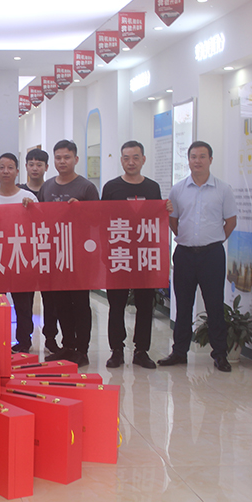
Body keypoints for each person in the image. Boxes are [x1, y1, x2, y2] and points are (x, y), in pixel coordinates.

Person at [159, 141, 238, 372]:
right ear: (188, 160)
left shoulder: (223, 189)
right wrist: (187, 238)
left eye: (202, 156)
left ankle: (220, 354)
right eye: (193, 156)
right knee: (183, 305)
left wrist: (214, 240)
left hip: (212, 255)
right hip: (184, 254)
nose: (197, 161)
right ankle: (179, 352)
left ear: (210, 160)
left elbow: (230, 221)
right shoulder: (178, 189)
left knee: (214, 305)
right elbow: (173, 220)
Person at [102, 141, 173, 370]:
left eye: (135, 157)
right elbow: (102, 220)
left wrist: (166, 210)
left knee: (145, 305)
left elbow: (156, 221)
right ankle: (116, 350)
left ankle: (142, 351)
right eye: (126, 158)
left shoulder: (152, 188)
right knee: (116, 305)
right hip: (118, 254)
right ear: (121, 160)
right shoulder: (111, 188)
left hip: (145, 255)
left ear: (143, 159)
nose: (130, 162)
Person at [40, 139, 99, 368]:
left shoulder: (86, 188)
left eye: (66, 157)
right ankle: (67, 346)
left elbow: (97, 221)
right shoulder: (47, 187)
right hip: (56, 255)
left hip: (80, 256)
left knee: (80, 304)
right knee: (61, 303)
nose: (62, 161)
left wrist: (81, 210)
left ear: (76, 159)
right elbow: (40, 219)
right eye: (58, 157)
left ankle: (82, 350)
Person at [0, 153, 38, 353]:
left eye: (10, 167)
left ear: (17, 172)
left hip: (22, 258)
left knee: (23, 305)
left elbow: (38, 227)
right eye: (2, 167)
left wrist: (32, 210)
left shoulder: (28, 197)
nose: (6, 171)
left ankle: (24, 342)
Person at [20, 148, 61, 354]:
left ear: (46, 167)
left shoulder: (52, 190)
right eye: (31, 164)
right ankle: (24, 339)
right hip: (24, 253)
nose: (35, 168)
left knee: (51, 300)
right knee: (24, 300)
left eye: (39, 164)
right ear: (26, 166)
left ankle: (51, 339)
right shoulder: (18, 191)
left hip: (48, 252)